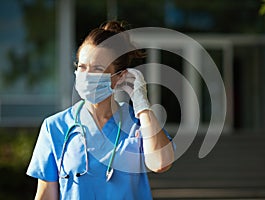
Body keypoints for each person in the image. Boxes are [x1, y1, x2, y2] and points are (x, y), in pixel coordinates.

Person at [26, 20, 175, 200]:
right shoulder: (55, 127)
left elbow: (160, 163)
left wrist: (141, 103)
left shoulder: (138, 124)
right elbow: (46, 196)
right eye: (82, 67)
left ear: (119, 77)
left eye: (98, 69)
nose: (87, 75)